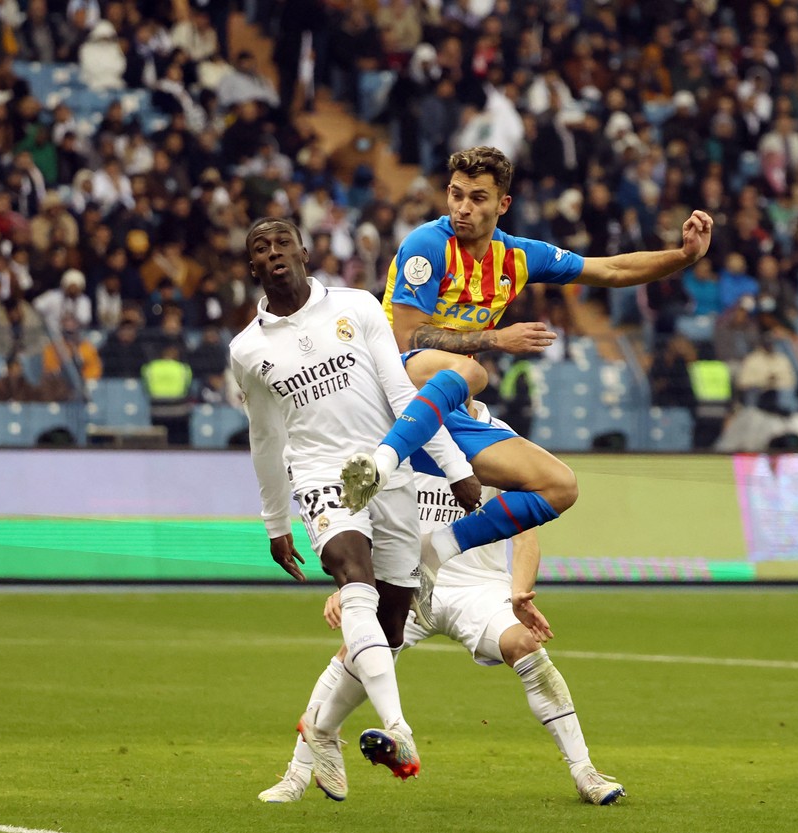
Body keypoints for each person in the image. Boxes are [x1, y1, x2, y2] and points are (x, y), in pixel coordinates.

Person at [340, 146, 713, 600]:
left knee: (559, 486)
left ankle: (437, 549)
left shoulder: (517, 256)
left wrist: (683, 256)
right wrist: (495, 339)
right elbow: (408, 337)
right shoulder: (426, 245)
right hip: (394, 386)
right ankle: (379, 465)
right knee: (474, 373)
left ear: (503, 204)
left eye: (477, 198)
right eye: (456, 194)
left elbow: (611, 270)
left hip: (446, 403)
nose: (462, 207)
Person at [230, 218, 483, 801]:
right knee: (354, 582)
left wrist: (456, 467)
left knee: (389, 627)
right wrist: (275, 521)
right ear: (252, 267)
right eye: (259, 248)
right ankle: (399, 728)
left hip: (385, 472)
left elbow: (404, 398)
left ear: (304, 251)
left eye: (281, 243)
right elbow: (265, 440)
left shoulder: (358, 307)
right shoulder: (247, 350)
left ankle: (320, 732)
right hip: (321, 477)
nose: (272, 253)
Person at [259, 405, 625, 807]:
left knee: (525, 646)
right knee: (351, 655)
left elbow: (525, 536)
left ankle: (585, 772)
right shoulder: (402, 432)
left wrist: (520, 592)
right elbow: (372, 519)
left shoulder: (498, 437)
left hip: (478, 587)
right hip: (407, 579)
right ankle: (296, 774)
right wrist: (354, 585)